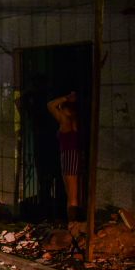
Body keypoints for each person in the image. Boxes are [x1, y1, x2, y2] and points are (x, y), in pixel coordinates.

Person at [47, 91, 83, 221]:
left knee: (71, 194)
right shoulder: (76, 119)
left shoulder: (65, 119)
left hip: (68, 156)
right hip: (76, 155)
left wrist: (65, 97)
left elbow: (50, 105)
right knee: (75, 192)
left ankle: (72, 223)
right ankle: (74, 222)